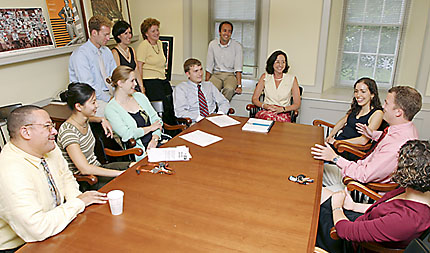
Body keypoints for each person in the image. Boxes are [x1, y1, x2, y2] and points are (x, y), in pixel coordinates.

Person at [0, 105, 107, 252]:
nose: (55, 132)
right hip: (23, 245)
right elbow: (37, 229)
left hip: (56, 223)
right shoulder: (10, 170)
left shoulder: (48, 147)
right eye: (47, 127)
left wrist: (77, 201)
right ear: (26, 132)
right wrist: (78, 203)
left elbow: (66, 177)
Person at [316, 140, 430, 252]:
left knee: (312, 208)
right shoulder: (413, 190)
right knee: (319, 194)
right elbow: (382, 210)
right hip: (363, 221)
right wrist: (353, 206)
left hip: (353, 243)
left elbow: (344, 231)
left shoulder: (409, 220)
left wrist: (337, 207)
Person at [311, 86, 421, 192]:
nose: (383, 107)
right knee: (314, 169)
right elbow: (387, 137)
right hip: (356, 170)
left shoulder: (395, 146)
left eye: (387, 103)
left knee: (311, 190)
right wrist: (373, 134)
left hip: (360, 189)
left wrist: (334, 158)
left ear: (398, 112)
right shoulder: (407, 129)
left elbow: (364, 175)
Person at [57, 83, 130, 190]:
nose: (97, 105)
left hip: (97, 168)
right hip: (86, 180)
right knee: (129, 180)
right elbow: (85, 169)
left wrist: (102, 119)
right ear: (79, 107)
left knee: (135, 167)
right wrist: (119, 174)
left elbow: (90, 119)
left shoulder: (83, 119)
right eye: (93, 102)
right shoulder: (68, 132)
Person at [105, 66, 162, 161]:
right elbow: (127, 134)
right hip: (141, 151)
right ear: (120, 83)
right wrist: (150, 128)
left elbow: (157, 120)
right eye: (132, 81)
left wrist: (155, 139)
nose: (135, 84)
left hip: (157, 140)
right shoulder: (111, 109)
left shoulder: (140, 97)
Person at [69, 15, 117, 116]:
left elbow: (115, 75)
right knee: (116, 114)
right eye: (105, 35)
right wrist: (110, 99)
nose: (108, 38)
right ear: (94, 33)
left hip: (110, 94)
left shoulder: (106, 51)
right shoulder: (81, 55)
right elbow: (88, 86)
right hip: (91, 99)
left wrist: (119, 94)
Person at [326, 77, 383, 160]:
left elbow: (363, 140)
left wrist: (338, 142)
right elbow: (342, 122)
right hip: (339, 144)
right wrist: (331, 135)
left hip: (351, 149)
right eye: (356, 91)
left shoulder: (377, 113)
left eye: (363, 91)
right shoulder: (357, 109)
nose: (358, 95)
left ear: (372, 94)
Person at [136, 17, 175, 125]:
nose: (156, 33)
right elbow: (139, 67)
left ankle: (174, 129)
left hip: (162, 79)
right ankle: (166, 130)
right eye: (153, 31)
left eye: (157, 30)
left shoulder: (159, 43)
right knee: (163, 106)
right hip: (150, 81)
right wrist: (141, 87)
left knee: (171, 102)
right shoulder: (143, 46)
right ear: (146, 33)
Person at [173, 58, 230, 122]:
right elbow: (180, 112)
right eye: (196, 71)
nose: (200, 74)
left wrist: (220, 113)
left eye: (201, 69)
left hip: (213, 121)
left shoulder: (209, 85)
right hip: (195, 122)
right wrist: (198, 118)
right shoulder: (181, 89)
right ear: (188, 74)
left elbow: (224, 102)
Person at [251, 50, 301, 122]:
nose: (280, 65)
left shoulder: (292, 79)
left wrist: (283, 109)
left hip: (283, 112)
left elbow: (297, 104)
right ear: (272, 63)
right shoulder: (265, 77)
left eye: (283, 62)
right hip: (267, 111)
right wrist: (265, 106)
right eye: (277, 62)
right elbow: (254, 99)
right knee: (264, 121)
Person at [206, 21, 243, 101]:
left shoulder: (237, 46)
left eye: (229, 31)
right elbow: (209, 66)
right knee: (210, 89)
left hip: (230, 75)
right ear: (219, 32)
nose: (227, 33)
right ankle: (213, 109)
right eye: (224, 30)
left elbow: (238, 68)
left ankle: (221, 109)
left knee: (229, 89)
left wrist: (239, 86)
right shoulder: (212, 44)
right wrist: (205, 83)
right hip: (216, 74)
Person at [111, 20, 144, 93]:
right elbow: (118, 75)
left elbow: (136, 70)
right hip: (125, 89)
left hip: (135, 86)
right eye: (126, 33)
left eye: (130, 33)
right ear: (119, 36)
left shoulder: (131, 50)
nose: (129, 36)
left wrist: (142, 88)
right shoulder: (115, 52)